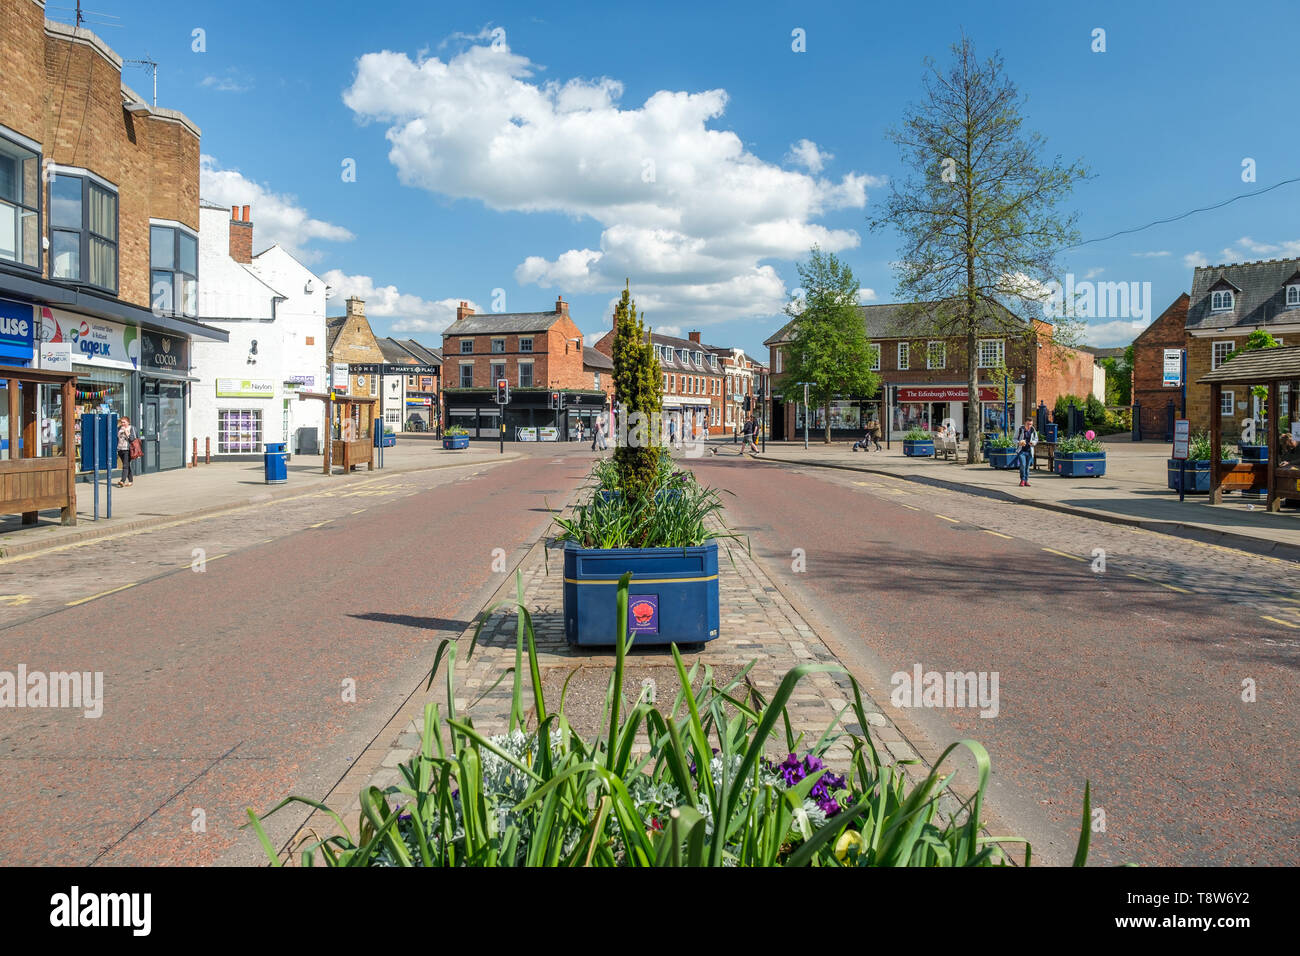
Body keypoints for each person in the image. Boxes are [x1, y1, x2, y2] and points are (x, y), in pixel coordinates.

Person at [1011, 420, 1038, 487]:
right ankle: (1022, 480)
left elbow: (1036, 439)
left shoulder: (1033, 430)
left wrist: (1033, 443)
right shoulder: (1020, 429)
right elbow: (1014, 439)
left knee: (1027, 467)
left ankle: (1026, 481)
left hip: (1029, 451)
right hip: (1021, 451)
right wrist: (1019, 442)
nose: (1029, 426)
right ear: (1025, 423)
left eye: (1031, 424)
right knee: (1023, 465)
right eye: (1028, 424)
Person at [116, 415, 138, 487]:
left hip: (128, 449)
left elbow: (133, 439)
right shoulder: (119, 428)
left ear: (128, 422)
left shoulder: (132, 428)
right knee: (127, 465)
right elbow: (117, 438)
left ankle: (122, 481)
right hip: (120, 449)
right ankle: (131, 481)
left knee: (125, 465)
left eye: (124, 422)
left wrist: (126, 432)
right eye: (121, 422)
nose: (122, 424)